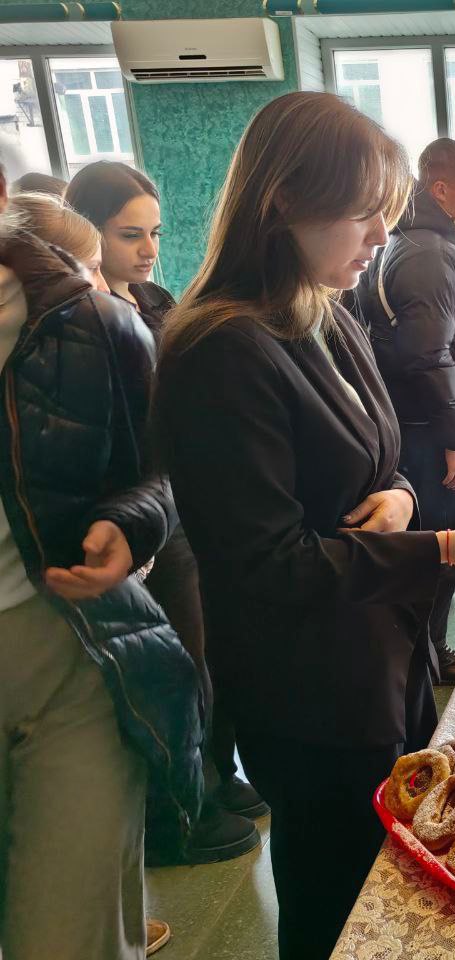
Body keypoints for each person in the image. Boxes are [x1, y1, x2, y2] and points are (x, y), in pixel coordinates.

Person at [153, 93, 455, 960]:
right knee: (336, 907)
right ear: (285, 199)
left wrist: (400, 499)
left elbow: (378, 461)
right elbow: (267, 565)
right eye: (365, 213)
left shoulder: (325, 312)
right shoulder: (220, 350)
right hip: (309, 690)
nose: (380, 236)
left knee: (397, 888)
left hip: (380, 660)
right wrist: (440, 546)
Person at [0, 166, 203, 960]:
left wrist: (131, 521)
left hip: (72, 654)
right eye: (132, 233)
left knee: (70, 933)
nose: (148, 250)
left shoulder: (90, 323)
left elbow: (166, 469)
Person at [66, 160, 265, 863]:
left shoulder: (155, 299)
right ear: (88, 233)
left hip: (182, 500)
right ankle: (178, 814)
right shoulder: (80, 320)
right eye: (130, 235)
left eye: (154, 232)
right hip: (134, 514)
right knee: (169, 666)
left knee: (209, 652)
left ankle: (212, 775)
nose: (148, 249)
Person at [350, 137, 455, 685]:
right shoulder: (428, 255)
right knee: (440, 547)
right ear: (440, 189)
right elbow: (427, 354)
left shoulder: (414, 246)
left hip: (428, 421)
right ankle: (432, 658)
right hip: (426, 430)